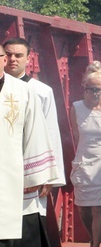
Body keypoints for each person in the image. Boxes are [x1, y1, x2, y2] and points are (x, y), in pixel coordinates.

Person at [0, 48, 59, 247]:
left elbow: (36, 131)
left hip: (13, 174)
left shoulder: (22, 91)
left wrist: (36, 174)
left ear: (2, 60)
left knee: (15, 229)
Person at [4, 38, 65, 228]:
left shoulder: (41, 91)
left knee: (27, 220)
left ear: (28, 59)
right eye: (8, 54)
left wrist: (49, 176)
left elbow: (51, 133)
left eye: (18, 55)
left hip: (29, 167)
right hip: (3, 164)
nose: (13, 59)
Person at [70, 61, 101, 247]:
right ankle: (92, 238)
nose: (95, 93)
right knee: (83, 209)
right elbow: (76, 136)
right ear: (84, 88)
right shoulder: (77, 108)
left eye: (99, 90)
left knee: (98, 208)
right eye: (91, 89)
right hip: (84, 161)